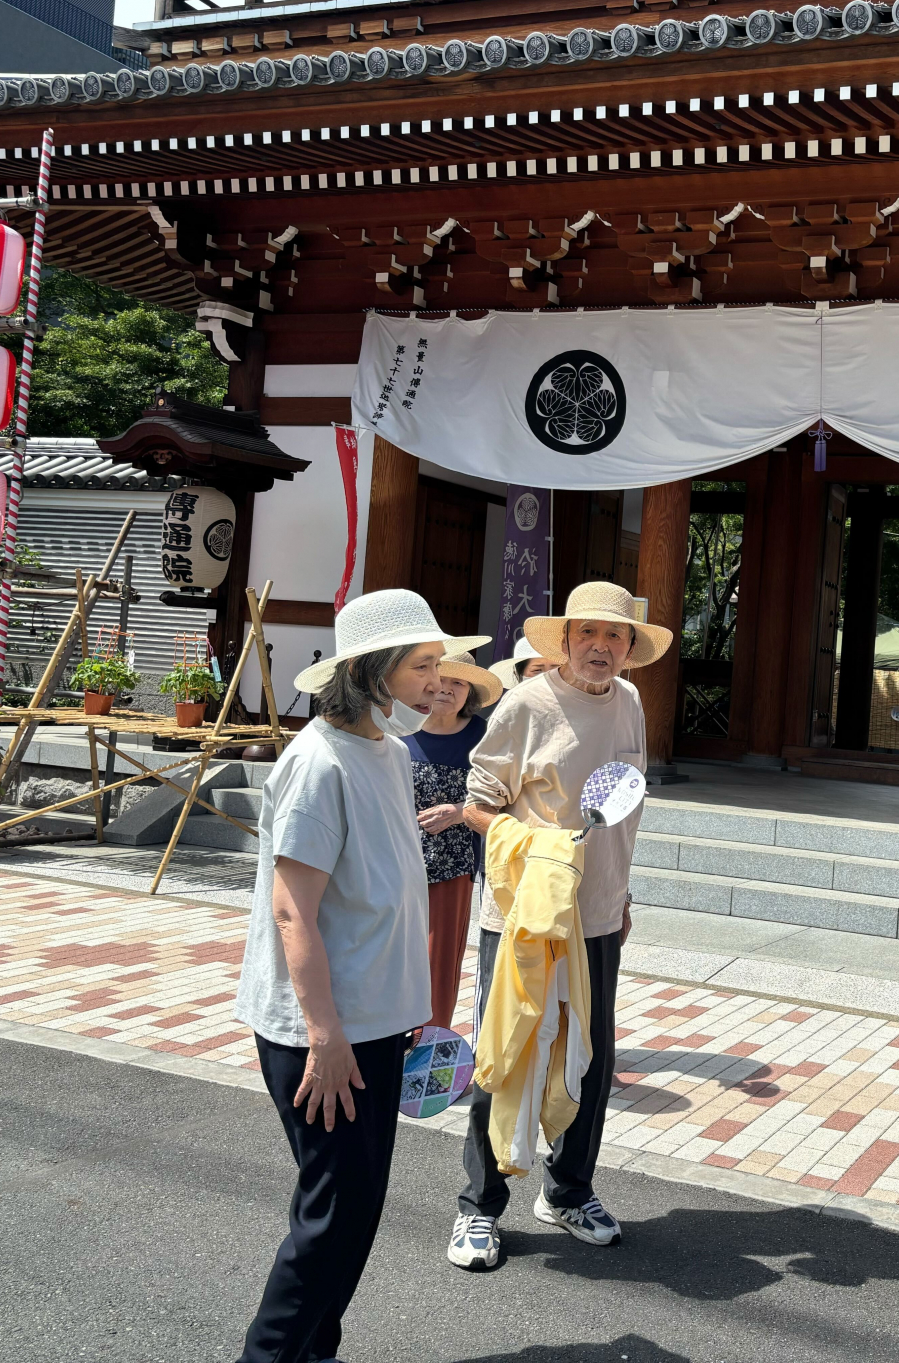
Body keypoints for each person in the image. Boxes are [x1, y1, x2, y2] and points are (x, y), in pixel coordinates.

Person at [232, 589, 480, 1363]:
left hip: (375, 1022)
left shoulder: (390, 753)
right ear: (371, 671)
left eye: (440, 663)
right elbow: (292, 913)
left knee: (354, 1209)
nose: (439, 680)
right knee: (332, 1217)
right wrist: (325, 1035)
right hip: (326, 1031)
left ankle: (316, 1351)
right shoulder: (318, 764)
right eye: (421, 666)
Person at [447, 581, 672, 1272]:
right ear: (566, 640)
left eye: (615, 636)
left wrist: (621, 897)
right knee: (507, 1051)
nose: (601, 647)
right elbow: (478, 804)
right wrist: (541, 848)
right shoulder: (526, 704)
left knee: (591, 1058)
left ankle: (569, 1191)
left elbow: (622, 813)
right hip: (525, 916)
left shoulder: (630, 703)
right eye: (588, 634)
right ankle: (479, 1207)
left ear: (629, 648)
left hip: (598, 914)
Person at [405, 645, 501, 1032]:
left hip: (453, 865)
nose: (446, 688)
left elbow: (506, 794)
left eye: (458, 683)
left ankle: (429, 1044)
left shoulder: (485, 736)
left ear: (470, 693)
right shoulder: (399, 729)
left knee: (438, 960)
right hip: (394, 861)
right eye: (440, 678)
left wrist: (460, 811)